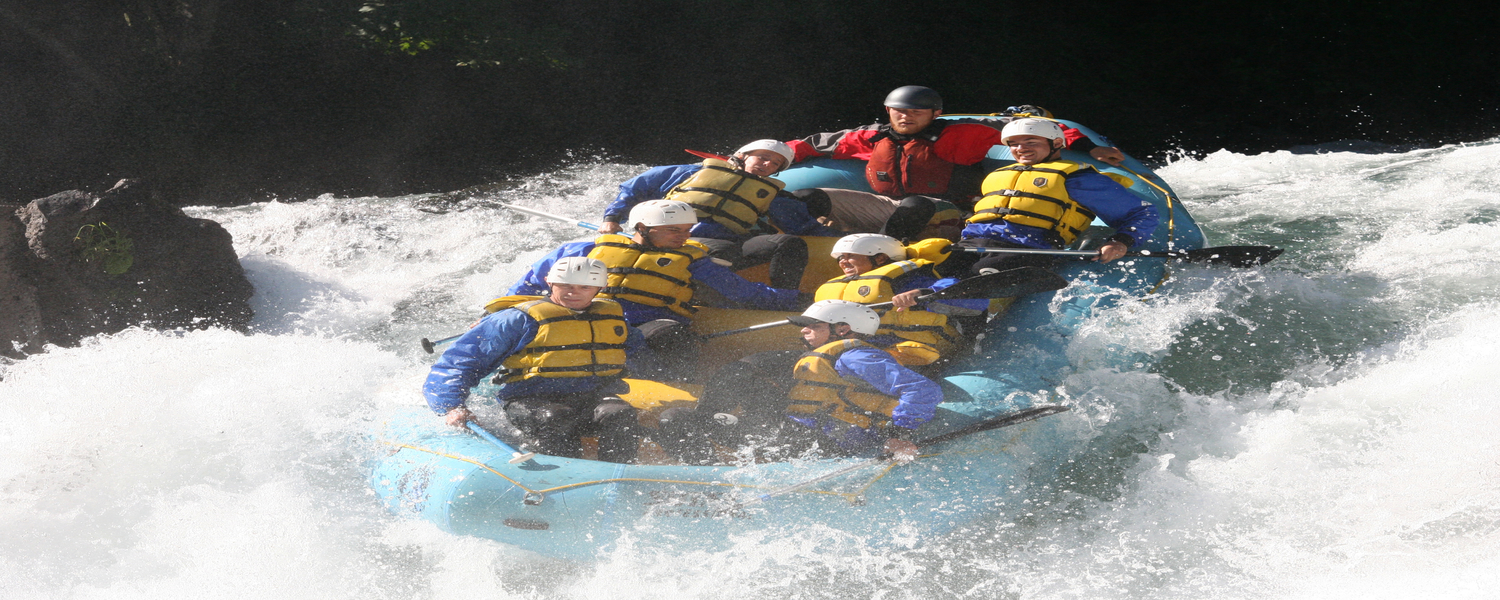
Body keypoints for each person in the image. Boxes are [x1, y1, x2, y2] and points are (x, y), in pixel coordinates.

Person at [783, 85, 1127, 241]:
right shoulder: (873, 136)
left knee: (915, 206)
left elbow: (1034, 129)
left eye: (916, 112)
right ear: (889, 111)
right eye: (899, 111)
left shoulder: (960, 134)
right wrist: (764, 155)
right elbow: (815, 144)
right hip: (889, 206)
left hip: (950, 212)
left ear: (935, 113)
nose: (905, 117)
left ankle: (885, 254)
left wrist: (1087, 146)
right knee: (807, 196)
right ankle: (819, 245)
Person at [507, 200, 808, 377]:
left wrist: (804, 300)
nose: (683, 236)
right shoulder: (585, 248)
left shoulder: (692, 259)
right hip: (587, 315)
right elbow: (532, 283)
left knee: (671, 336)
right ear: (642, 229)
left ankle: (675, 391)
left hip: (649, 322)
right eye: (673, 230)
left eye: (687, 230)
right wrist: (506, 311)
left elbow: (742, 292)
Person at [657, 300, 942, 464]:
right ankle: (707, 474)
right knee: (677, 419)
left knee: (680, 419)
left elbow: (922, 390)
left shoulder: (857, 357)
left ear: (842, 329)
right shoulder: (824, 358)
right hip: (794, 433)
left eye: (814, 326)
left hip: (827, 440)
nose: (804, 330)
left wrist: (900, 435)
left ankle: (717, 485)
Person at [423, 257, 643, 463]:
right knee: (556, 416)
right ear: (549, 282)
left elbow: (637, 351)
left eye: (584, 287)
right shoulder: (517, 319)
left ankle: (619, 477)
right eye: (566, 286)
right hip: (530, 400)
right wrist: (452, 406)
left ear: (600, 288)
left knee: (620, 414)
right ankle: (563, 476)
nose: (573, 293)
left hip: (590, 397)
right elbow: (461, 361)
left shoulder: (611, 316)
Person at [597, 140, 837, 289]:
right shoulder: (690, 172)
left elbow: (803, 227)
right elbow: (635, 188)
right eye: (762, 157)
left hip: (724, 243)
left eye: (774, 164)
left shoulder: (770, 195)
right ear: (743, 155)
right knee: (714, 253)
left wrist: (840, 236)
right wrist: (611, 218)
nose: (766, 164)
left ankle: (785, 298)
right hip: (669, 238)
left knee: (787, 243)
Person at [937, 118, 1159, 277]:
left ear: (1057, 143)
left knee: (979, 274)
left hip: (1028, 249)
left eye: (1031, 142)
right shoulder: (999, 175)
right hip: (973, 244)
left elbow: (1142, 212)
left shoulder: (1077, 177)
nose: (1020, 148)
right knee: (933, 272)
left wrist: (1120, 242)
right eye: (1013, 144)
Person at [814, 233, 987, 366]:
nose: (843, 262)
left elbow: (974, 300)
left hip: (921, 350)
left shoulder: (907, 279)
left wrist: (924, 293)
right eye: (840, 258)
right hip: (868, 349)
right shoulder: (837, 286)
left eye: (849, 256)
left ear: (880, 258)